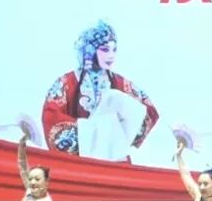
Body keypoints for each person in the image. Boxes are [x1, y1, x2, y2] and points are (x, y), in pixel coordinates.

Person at [41, 20, 160, 161]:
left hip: (114, 159)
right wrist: (92, 131)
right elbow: (51, 116)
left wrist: (122, 132)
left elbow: (148, 111)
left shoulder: (120, 83)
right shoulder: (67, 83)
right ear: (90, 50)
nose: (111, 55)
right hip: (78, 161)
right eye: (105, 49)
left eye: (114, 50)